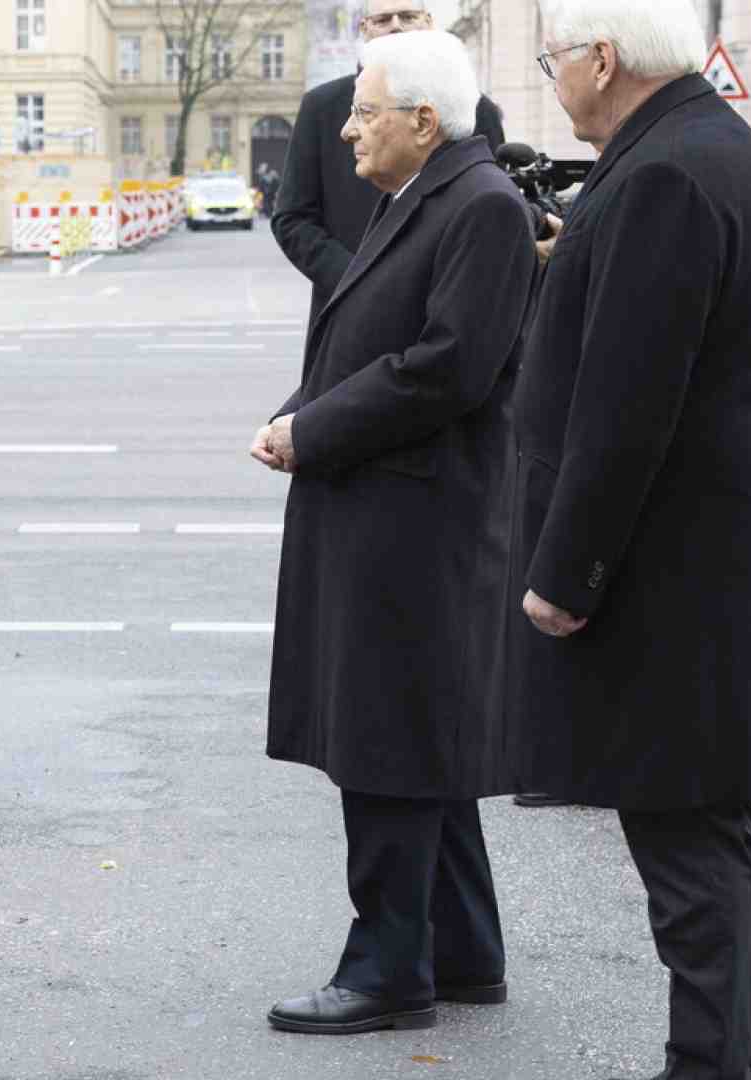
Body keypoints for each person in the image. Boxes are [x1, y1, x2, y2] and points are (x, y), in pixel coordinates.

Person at [512, 2, 751, 1076]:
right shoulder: (707, 151)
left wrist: (567, 573)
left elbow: (627, 406)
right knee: (713, 840)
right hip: (707, 559)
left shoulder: (663, 178)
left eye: (553, 61)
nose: (551, 80)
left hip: (665, 574)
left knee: (688, 859)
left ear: (603, 58)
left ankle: (710, 1064)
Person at [252, 29, 534, 1036]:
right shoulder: (426, 197)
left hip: (417, 525)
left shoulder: (482, 208)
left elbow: (446, 365)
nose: (347, 129)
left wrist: (313, 429)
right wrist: (297, 412)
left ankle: (387, 969)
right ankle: (460, 951)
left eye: (365, 111)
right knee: (422, 746)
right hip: (393, 513)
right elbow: (367, 337)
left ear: (424, 119)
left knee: (387, 745)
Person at [272, 0, 506, 328]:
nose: (396, 26)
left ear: (428, 23)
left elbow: (494, 208)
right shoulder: (321, 107)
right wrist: (359, 280)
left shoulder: (473, 108)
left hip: (443, 312)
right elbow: (292, 218)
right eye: (383, 19)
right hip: (348, 315)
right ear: (364, 28)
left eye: (408, 17)